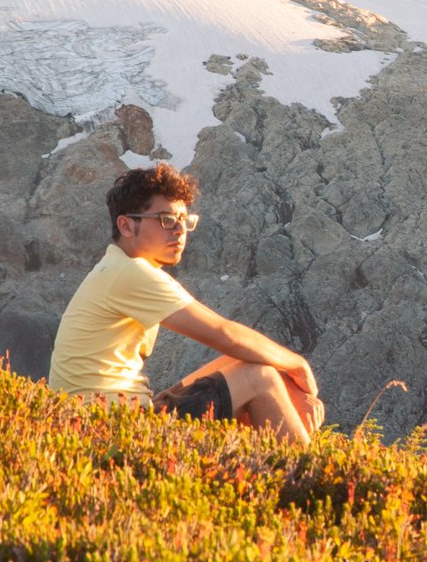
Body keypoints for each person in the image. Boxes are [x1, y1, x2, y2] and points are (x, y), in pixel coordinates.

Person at [48, 162, 322, 442]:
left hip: (104, 420)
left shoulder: (117, 268)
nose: (180, 230)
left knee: (248, 362)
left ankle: (262, 473)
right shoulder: (130, 272)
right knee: (259, 377)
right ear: (127, 225)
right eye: (167, 219)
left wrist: (283, 373)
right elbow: (225, 334)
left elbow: (233, 345)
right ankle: (312, 480)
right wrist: (298, 366)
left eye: (185, 220)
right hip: (109, 429)